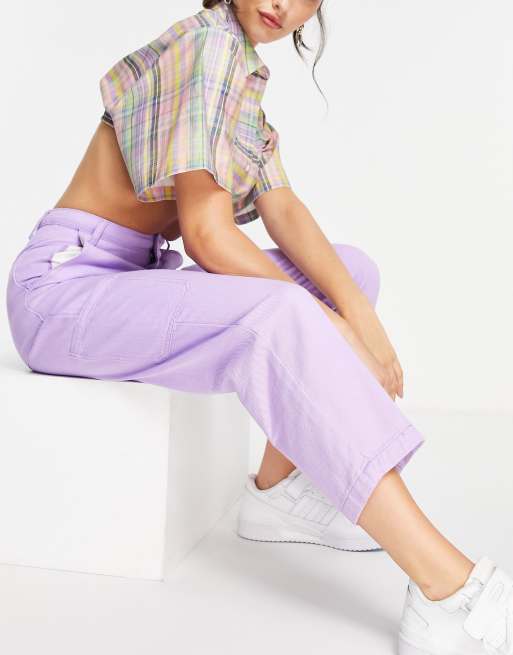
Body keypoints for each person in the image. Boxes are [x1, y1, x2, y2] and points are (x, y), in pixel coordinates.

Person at [5, 1, 512, 652]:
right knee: (284, 310)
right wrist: (334, 328)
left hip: (126, 282)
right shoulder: (207, 48)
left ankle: (282, 492)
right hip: (62, 292)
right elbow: (208, 236)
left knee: (346, 273)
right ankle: (445, 588)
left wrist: (355, 312)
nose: (281, 3)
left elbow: (284, 208)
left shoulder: (239, 72)